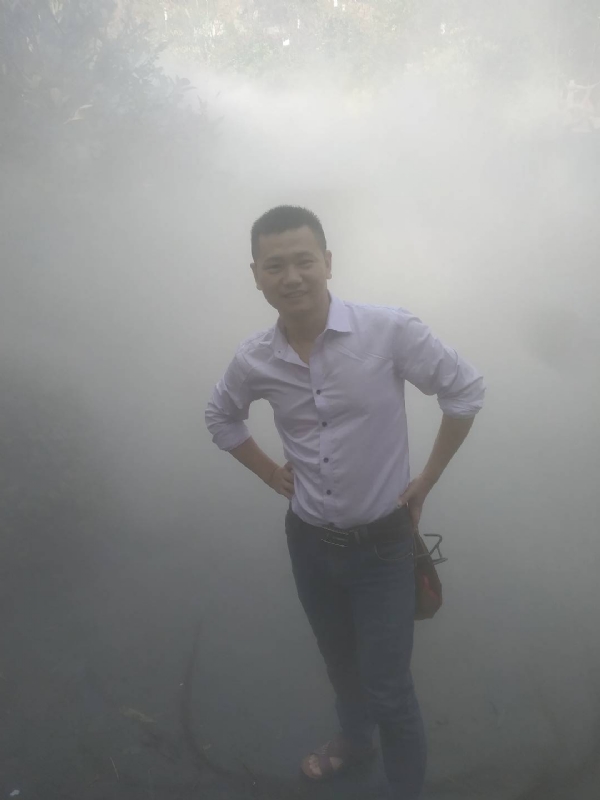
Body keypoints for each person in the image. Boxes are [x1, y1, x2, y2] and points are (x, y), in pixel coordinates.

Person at [205, 205, 485, 800]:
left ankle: (403, 787)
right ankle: (356, 744)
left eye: (304, 261)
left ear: (328, 262)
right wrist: (268, 472)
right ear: (255, 275)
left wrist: (427, 479)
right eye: (274, 266)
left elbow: (464, 390)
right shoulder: (256, 358)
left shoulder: (387, 331)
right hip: (309, 542)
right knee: (339, 663)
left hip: (383, 545)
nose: (291, 277)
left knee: (388, 686)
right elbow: (221, 416)